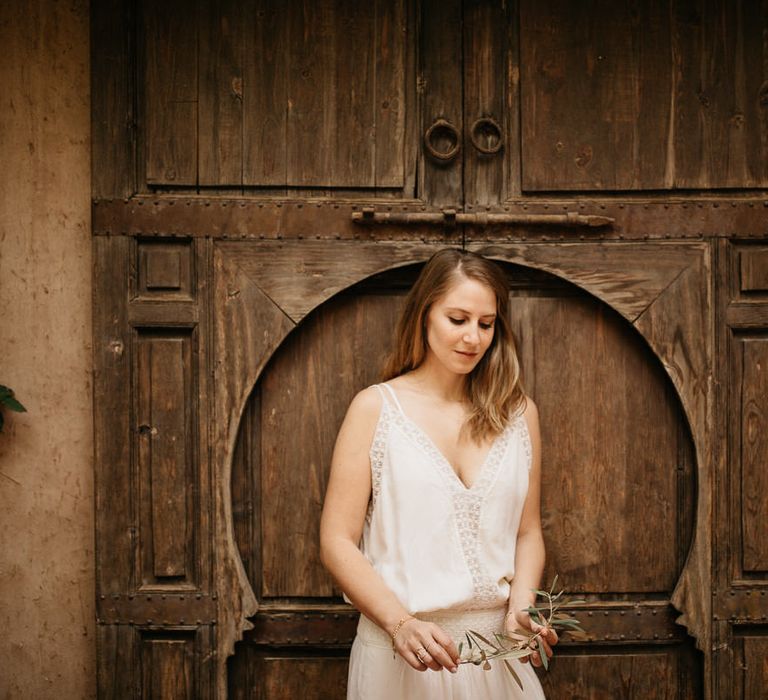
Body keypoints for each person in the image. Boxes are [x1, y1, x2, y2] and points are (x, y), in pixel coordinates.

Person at [320, 249, 557, 699]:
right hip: (404, 658)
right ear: (425, 314)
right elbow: (336, 540)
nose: (473, 337)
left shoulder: (520, 415)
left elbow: (527, 532)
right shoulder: (375, 409)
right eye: (458, 319)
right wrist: (400, 623)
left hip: (497, 659)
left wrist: (521, 612)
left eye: (486, 324)